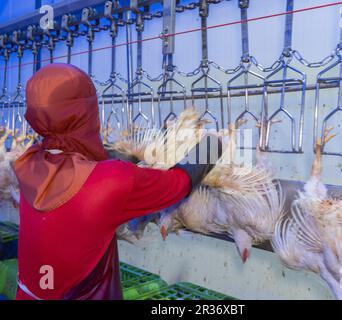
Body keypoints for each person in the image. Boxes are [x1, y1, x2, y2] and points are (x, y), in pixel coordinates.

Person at [13, 63, 221, 300]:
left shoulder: (28, 163)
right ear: (87, 113)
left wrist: (120, 157)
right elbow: (178, 184)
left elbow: (70, 153)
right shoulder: (112, 180)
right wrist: (213, 146)